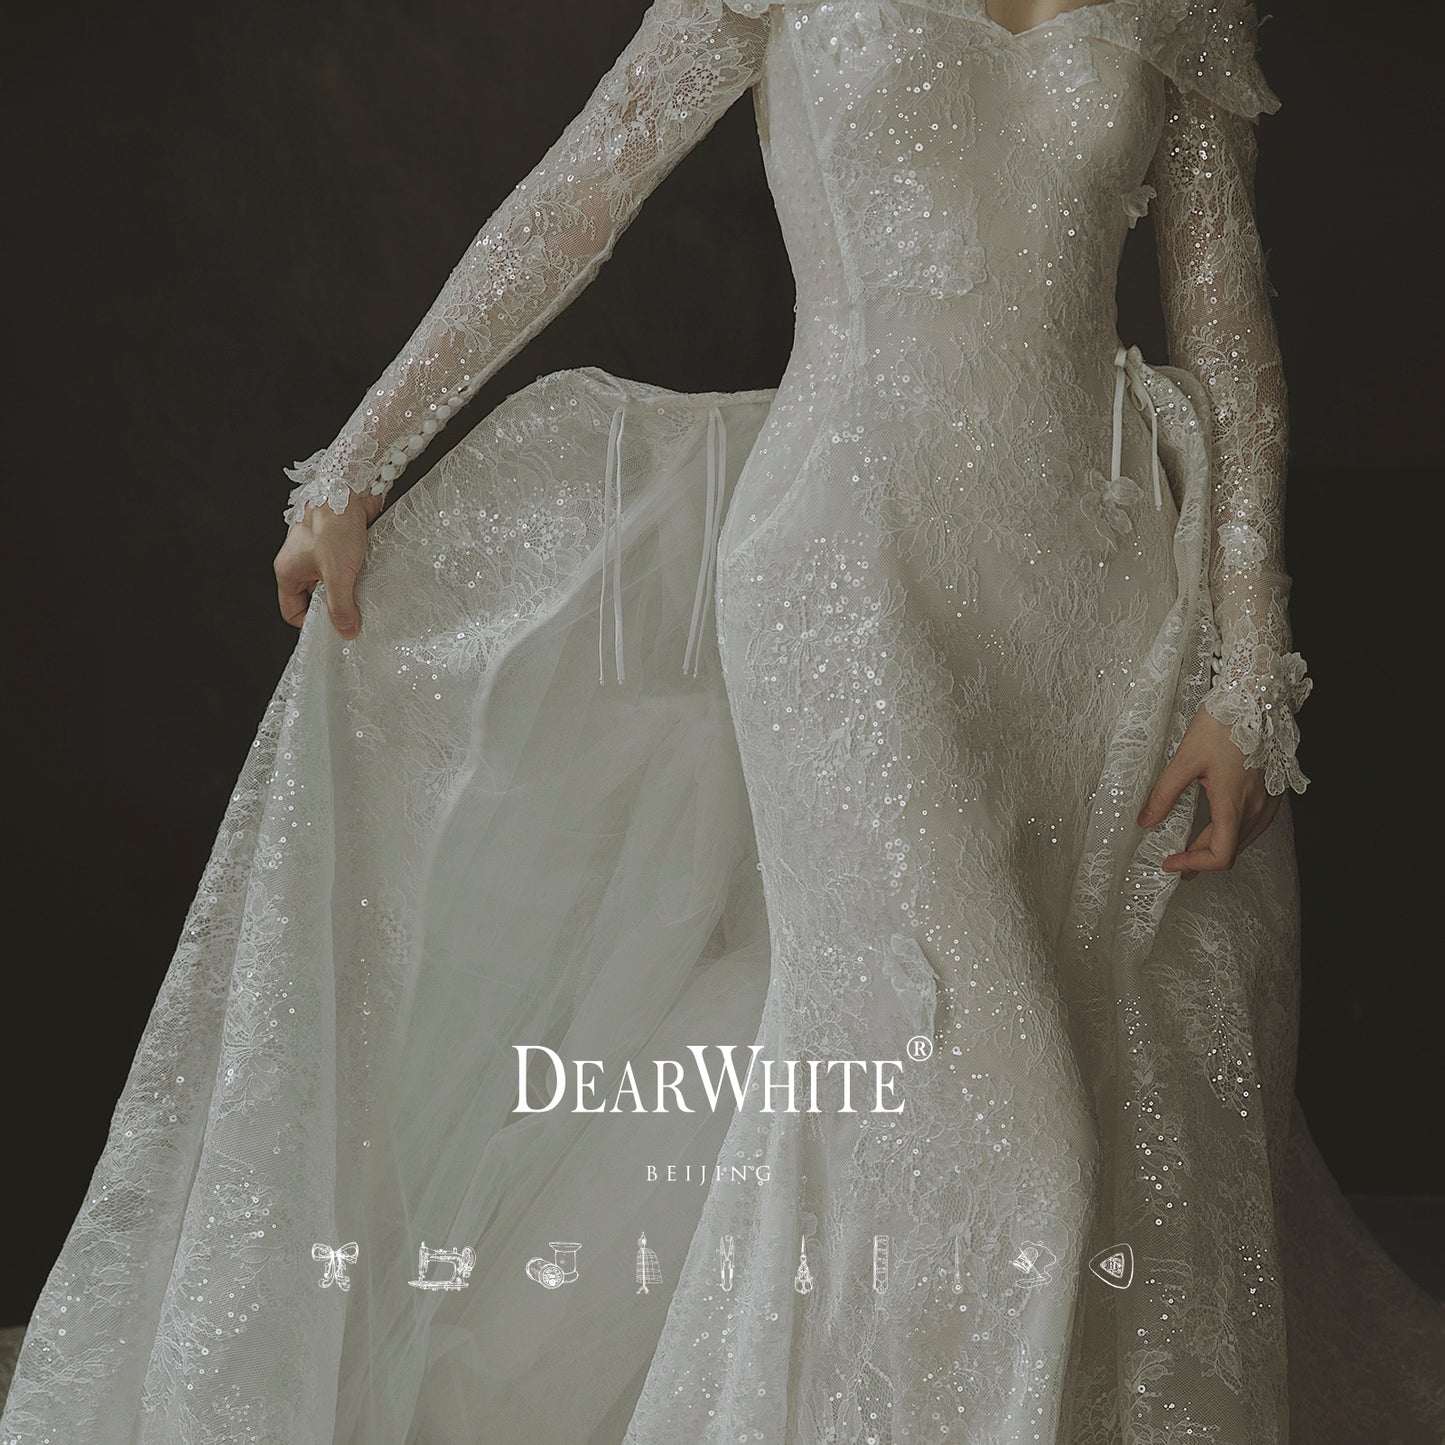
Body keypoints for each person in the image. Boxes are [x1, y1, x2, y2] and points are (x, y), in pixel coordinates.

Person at [4, 1, 1442, 1442]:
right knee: (1011, 1129)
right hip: (851, 585)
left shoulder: (1186, 8)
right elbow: (580, 193)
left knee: (1081, 1103)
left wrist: (1248, 674)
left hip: (1103, 614)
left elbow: (1227, 331)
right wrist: (357, 463)